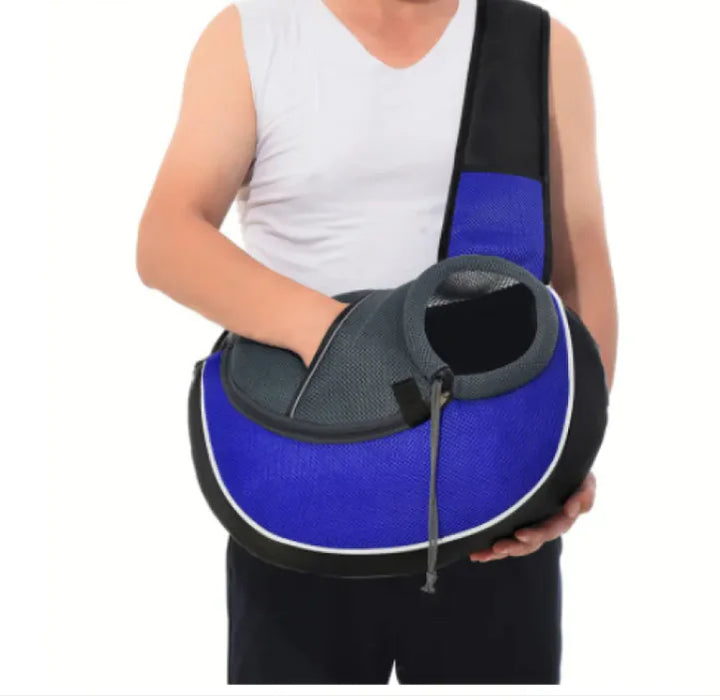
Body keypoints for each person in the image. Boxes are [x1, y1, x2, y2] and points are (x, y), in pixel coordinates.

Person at [136, 0, 618, 685]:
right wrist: (346, 344)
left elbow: (578, 264)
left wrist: (569, 457)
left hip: (494, 485)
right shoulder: (256, 32)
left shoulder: (535, 44)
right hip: (303, 479)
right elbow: (166, 238)